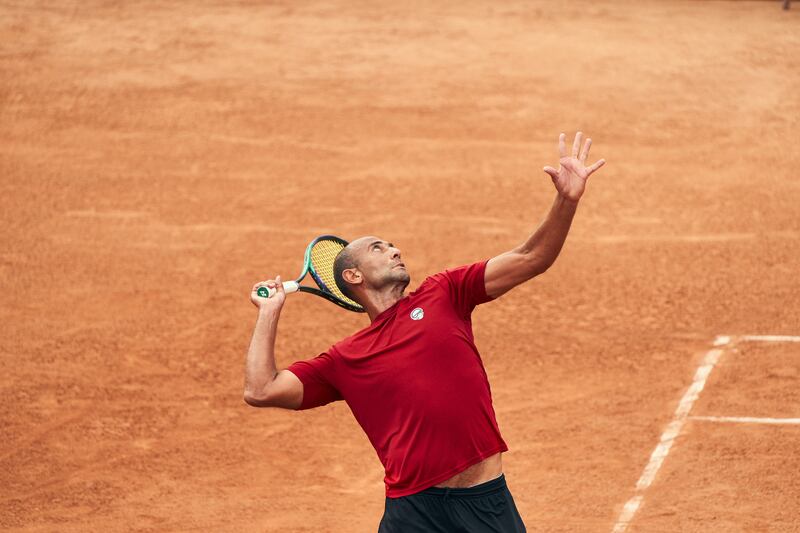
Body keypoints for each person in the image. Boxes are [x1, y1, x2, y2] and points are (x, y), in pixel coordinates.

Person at [244, 132, 606, 532]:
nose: (395, 250)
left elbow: (531, 257)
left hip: (484, 503)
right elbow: (261, 390)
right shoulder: (344, 359)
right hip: (413, 513)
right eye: (378, 249)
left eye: (393, 245)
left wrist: (566, 200)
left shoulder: (444, 293)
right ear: (353, 276)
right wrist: (269, 312)